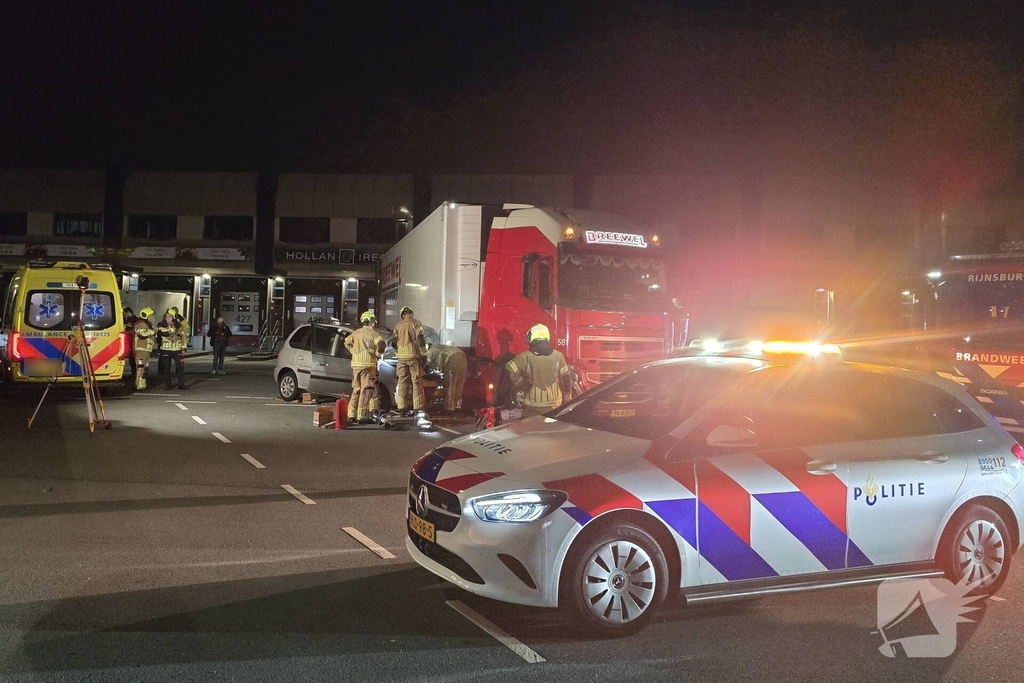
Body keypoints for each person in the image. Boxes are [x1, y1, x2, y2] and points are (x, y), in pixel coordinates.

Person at [505, 323, 572, 417]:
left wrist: (522, 384)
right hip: (554, 405)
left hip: (531, 404)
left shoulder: (525, 356)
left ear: (531, 337)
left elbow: (510, 369)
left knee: (532, 429)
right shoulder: (558, 356)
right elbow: (566, 379)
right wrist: (567, 399)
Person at [344, 311, 386, 423]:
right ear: (371, 322)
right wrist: (376, 355)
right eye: (373, 322)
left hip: (356, 366)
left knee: (356, 390)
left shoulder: (355, 333)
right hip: (368, 366)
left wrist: (353, 351)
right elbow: (382, 345)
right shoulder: (373, 334)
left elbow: (346, 342)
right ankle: (362, 416)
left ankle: (351, 414)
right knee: (366, 391)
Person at [392, 305, 426, 416]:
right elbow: (420, 338)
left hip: (401, 358)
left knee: (402, 382)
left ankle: (401, 408)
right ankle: (418, 408)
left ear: (402, 315)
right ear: (411, 313)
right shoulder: (417, 323)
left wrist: (399, 349)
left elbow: (393, 342)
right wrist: (423, 353)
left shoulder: (397, 326)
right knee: (416, 382)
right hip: (413, 357)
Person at [425, 342, 468, 413]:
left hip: (452, 360)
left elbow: (427, 365)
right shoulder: (438, 346)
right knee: (459, 384)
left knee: (450, 385)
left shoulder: (430, 351)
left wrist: (426, 373)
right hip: (462, 356)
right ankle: (458, 406)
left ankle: (449, 408)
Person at [156, 311, 188, 390]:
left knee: (180, 367)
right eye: (166, 317)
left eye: (170, 317)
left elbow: (183, 337)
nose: (168, 318)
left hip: (177, 349)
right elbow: (164, 333)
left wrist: (183, 348)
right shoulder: (161, 325)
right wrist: (173, 327)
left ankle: (181, 384)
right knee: (167, 368)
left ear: (173, 318)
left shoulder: (179, 326)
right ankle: (168, 385)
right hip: (165, 349)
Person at [133, 307, 156, 390]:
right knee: (141, 367)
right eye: (150, 316)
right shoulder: (141, 324)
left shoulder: (145, 324)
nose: (151, 318)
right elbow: (142, 335)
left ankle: (142, 384)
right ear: (145, 315)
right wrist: (152, 332)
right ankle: (138, 384)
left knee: (145, 367)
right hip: (141, 349)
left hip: (145, 349)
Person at [122, 307, 137, 386]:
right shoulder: (127, 320)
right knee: (131, 358)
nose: (125, 315)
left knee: (133, 358)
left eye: (125, 313)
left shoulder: (135, 320)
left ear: (129, 312)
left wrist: (126, 332)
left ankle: (135, 374)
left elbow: (135, 330)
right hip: (128, 340)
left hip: (133, 340)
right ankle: (133, 373)